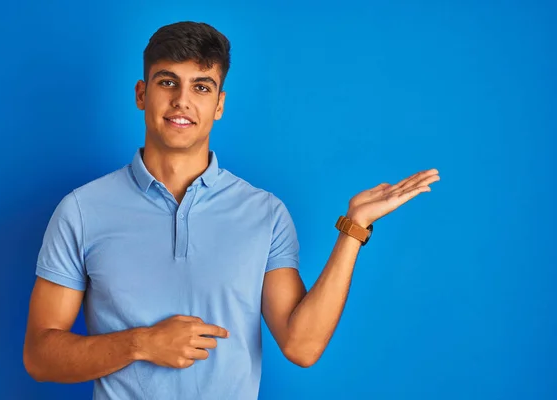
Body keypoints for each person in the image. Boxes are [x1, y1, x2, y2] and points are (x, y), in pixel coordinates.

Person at [23, 21, 440, 400]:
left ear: (219, 104)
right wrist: (142, 343)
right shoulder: (81, 210)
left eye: (201, 87)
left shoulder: (265, 213)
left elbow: (302, 346)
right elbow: (40, 356)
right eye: (168, 82)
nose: (182, 100)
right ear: (141, 93)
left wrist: (354, 228)